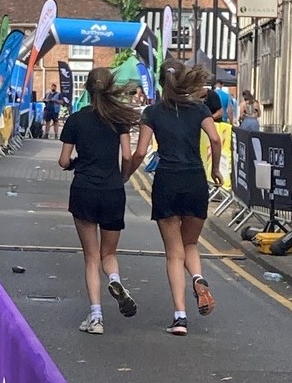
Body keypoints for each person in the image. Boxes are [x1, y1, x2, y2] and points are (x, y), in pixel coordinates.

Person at [126, 60, 223, 336]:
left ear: (160, 82)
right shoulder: (200, 109)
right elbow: (215, 140)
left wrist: (127, 174)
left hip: (167, 180)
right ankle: (198, 277)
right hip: (195, 180)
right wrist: (215, 168)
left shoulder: (152, 112)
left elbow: (141, 151)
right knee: (190, 243)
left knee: (173, 252)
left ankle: (180, 317)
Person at [58, 68, 142, 335]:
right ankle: (115, 280)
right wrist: (123, 177)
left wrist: (73, 164)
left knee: (91, 257)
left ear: (86, 90)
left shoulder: (75, 120)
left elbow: (62, 161)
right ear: (109, 88)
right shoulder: (119, 119)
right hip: (112, 190)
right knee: (109, 254)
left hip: (83, 188)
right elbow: (128, 156)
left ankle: (95, 318)